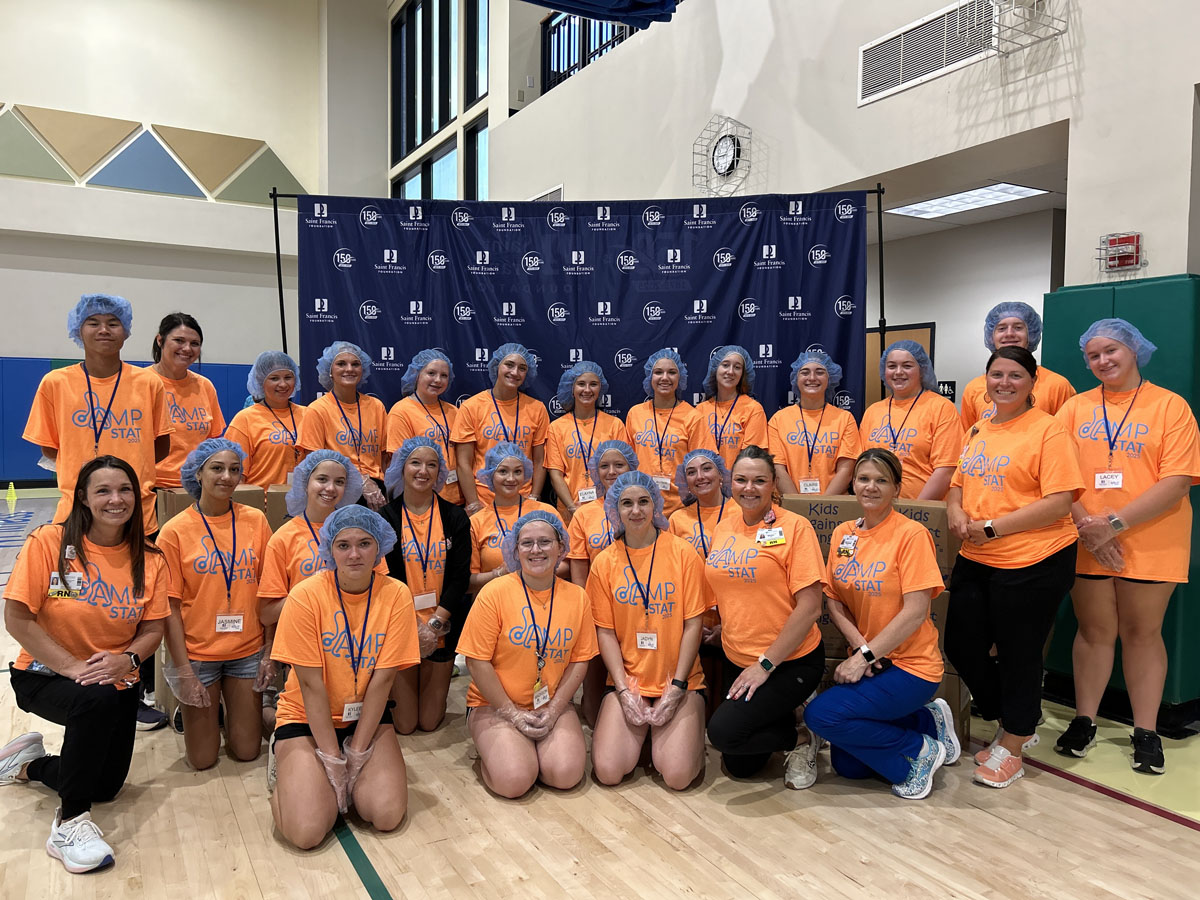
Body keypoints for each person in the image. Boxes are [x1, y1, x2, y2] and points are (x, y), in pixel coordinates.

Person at [1, 457, 169, 873]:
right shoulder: (49, 543)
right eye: (103, 491)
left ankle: (27, 764)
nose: (116, 500)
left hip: (117, 679)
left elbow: (153, 630)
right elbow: (17, 617)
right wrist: (74, 667)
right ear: (83, 498)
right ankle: (70, 822)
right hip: (44, 673)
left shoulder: (150, 557)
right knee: (93, 700)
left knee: (106, 787)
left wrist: (127, 659)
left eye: (125, 490)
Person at [1054, 319, 1200, 774]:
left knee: (1142, 634)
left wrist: (1112, 524)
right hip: (1084, 539)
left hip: (1152, 540)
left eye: (1111, 351)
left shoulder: (1170, 407)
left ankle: (1146, 731)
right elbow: (1055, 475)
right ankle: (1084, 719)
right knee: (1093, 632)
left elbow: (1176, 481)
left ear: (1135, 350)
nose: (1103, 361)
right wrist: (1088, 527)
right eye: (1093, 355)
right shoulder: (1074, 410)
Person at [945, 346, 1083, 789]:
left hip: (1035, 559)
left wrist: (993, 527)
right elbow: (958, 485)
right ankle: (1015, 720)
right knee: (962, 645)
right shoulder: (979, 428)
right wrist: (954, 511)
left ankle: (1015, 743)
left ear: (1032, 383)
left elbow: (1060, 501)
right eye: (996, 374)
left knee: (1019, 653)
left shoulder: (1048, 430)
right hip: (977, 557)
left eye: (1015, 376)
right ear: (985, 379)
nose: (1004, 383)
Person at [804, 449, 958, 800]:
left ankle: (919, 751)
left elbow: (917, 611)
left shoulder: (911, 535)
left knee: (822, 717)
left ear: (897, 489)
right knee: (849, 766)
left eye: (881, 480)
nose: (870, 487)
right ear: (853, 485)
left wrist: (865, 656)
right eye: (863, 479)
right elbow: (835, 599)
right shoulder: (844, 535)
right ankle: (926, 721)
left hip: (911, 666)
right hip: (872, 660)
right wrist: (862, 649)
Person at [269, 506, 419, 849]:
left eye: (365, 544)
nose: (354, 554)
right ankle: (286, 774)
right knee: (306, 833)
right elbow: (310, 685)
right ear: (329, 549)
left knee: (386, 815)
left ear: (379, 547)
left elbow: (382, 681)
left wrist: (357, 752)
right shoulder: (305, 596)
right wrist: (332, 758)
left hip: (364, 715)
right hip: (306, 716)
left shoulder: (396, 595)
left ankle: (324, 779)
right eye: (343, 545)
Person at [704, 446, 827, 787]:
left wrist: (765, 665)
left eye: (760, 480)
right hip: (737, 657)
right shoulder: (725, 527)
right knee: (741, 765)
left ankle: (802, 739)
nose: (749, 488)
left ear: (774, 483)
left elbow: (811, 607)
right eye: (741, 479)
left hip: (788, 661)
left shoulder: (796, 528)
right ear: (731, 482)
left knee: (723, 734)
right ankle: (794, 715)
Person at [457, 510, 598, 798]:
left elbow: (580, 660)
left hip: (551, 703)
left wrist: (557, 708)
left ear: (561, 547)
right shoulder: (494, 592)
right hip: (493, 704)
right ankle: (500, 754)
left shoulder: (577, 597)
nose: (536, 550)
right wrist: (511, 713)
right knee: (515, 781)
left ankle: (529, 752)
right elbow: (477, 660)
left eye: (545, 542)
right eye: (527, 543)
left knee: (567, 775)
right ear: (514, 549)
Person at [588, 472, 709, 790]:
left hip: (679, 681)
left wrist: (678, 686)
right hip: (630, 683)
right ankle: (648, 739)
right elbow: (605, 632)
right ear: (615, 509)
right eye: (627, 503)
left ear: (656, 504)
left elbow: (694, 623)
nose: (636, 510)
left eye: (644, 501)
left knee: (678, 777)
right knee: (608, 772)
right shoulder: (604, 562)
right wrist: (623, 689)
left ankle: (681, 738)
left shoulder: (683, 553)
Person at [156, 439, 271, 770]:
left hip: (246, 651)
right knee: (202, 760)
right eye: (217, 468)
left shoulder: (256, 521)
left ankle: (255, 712)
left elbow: (269, 591)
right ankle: (201, 711)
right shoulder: (174, 532)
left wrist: (267, 652)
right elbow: (170, 609)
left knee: (248, 751)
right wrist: (184, 672)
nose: (227, 477)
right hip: (199, 655)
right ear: (198, 473)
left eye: (234, 470)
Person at [24, 292, 172, 531]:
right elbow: (50, 448)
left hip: (137, 511)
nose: (104, 329)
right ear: (78, 330)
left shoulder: (149, 383)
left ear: (125, 332)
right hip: (76, 509)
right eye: (93, 323)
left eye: (113, 323)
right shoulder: (55, 383)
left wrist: (130, 467)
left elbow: (161, 445)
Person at [257, 450, 366, 732]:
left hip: (355, 646)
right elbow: (267, 613)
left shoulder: (360, 533)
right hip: (302, 649)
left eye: (339, 481)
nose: (330, 488)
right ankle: (272, 719)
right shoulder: (283, 538)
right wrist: (307, 590)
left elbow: (381, 592)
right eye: (322, 479)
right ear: (305, 482)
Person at [379, 437, 472, 734]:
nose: (423, 471)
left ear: (440, 472)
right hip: (400, 624)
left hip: (441, 624)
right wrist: (412, 626)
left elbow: (459, 577)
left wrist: (433, 624)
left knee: (429, 723)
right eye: (415, 463)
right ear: (401, 468)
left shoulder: (454, 517)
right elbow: (385, 580)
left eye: (432, 465)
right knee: (405, 725)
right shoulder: (385, 518)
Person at [565, 439, 638, 727]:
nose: (611, 471)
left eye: (619, 464)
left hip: (637, 604)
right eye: (604, 466)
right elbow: (578, 567)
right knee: (594, 704)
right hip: (598, 609)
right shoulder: (584, 513)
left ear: (631, 467)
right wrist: (587, 612)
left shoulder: (643, 504)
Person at [667, 448, 733, 721]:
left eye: (707, 469)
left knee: (727, 699)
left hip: (735, 616)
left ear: (721, 474)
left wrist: (727, 627)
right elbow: (671, 573)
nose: (700, 476)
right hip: (694, 618)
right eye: (691, 472)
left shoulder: (741, 512)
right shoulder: (677, 519)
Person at [452, 342, 549, 512]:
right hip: (484, 501)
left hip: (524, 500)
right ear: (497, 366)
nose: (515, 372)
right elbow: (463, 463)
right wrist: (474, 503)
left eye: (522, 368)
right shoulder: (472, 407)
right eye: (509, 365)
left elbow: (540, 460)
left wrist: (534, 497)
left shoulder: (537, 408)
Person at [859, 340, 962, 500]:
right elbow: (862, 466)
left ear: (922, 370)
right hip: (877, 507)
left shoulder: (941, 408)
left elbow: (946, 470)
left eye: (907, 366)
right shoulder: (873, 412)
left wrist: (916, 510)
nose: (898, 372)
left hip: (923, 511)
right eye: (892, 366)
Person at [298, 341, 388, 510]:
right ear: (329, 371)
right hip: (336, 489)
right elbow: (315, 464)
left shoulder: (377, 406)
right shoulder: (317, 410)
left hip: (376, 491)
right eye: (341, 364)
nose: (349, 369)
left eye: (355, 364)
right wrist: (360, 480)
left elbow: (384, 459)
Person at [959, 302, 1075, 430]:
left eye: (1018, 327)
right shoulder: (973, 388)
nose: (1009, 334)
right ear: (991, 336)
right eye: (1001, 328)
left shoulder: (1057, 386)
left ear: (1031, 334)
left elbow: (1065, 437)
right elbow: (969, 439)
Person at [625, 348, 714, 517]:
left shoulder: (693, 417)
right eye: (658, 372)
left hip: (682, 508)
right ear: (650, 377)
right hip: (642, 508)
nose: (665, 378)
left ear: (680, 377)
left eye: (671, 372)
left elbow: (704, 465)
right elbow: (626, 464)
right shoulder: (635, 414)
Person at [467, 442, 558, 595]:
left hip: (545, 601)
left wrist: (532, 569)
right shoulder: (476, 522)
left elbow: (567, 563)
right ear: (490, 474)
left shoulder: (546, 512)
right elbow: (469, 582)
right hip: (495, 603)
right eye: (503, 471)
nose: (511, 478)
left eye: (517, 471)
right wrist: (499, 573)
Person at [149, 312, 226, 490]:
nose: (187, 348)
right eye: (179, 340)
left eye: (194, 344)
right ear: (160, 341)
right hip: (152, 487)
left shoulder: (204, 386)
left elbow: (212, 442)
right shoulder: (142, 383)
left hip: (196, 487)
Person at [768, 350, 861, 495]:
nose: (812, 378)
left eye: (819, 372)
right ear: (796, 379)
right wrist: (798, 507)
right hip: (788, 509)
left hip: (833, 509)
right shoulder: (778, 420)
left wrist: (821, 507)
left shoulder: (845, 419)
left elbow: (846, 470)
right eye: (805, 372)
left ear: (829, 378)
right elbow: (777, 468)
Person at [545, 361, 626, 520]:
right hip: (570, 511)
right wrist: (572, 508)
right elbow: (555, 474)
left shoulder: (614, 425)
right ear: (572, 388)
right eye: (581, 384)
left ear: (600, 388)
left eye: (593, 384)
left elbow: (622, 471)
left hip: (608, 510)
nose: (587, 390)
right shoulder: (556, 427)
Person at [386, 349, 462, 506]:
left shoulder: (454, 411)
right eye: (431, 373)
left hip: (456, 500)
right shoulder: (401, 411)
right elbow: (400, 464)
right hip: (422, 501)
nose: (438, 380)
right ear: (416, 374)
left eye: (444, 375)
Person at [225, 351, 308, 490]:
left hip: (302, 506)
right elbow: (235, 475)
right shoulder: (245, 419)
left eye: (288, 377)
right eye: (274, 378)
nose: (283, 384)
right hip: (261, 505)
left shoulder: (309, 414)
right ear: (260, 381)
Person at [694, 345, 767, 469]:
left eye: (737, 367)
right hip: (706, 483)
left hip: (740, 484)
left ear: (743, 374)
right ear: (715, 369)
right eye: (725, 365)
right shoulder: (700, 410)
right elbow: (695, 455)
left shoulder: (753, 408)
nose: (731, 371)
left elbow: (752, 458)